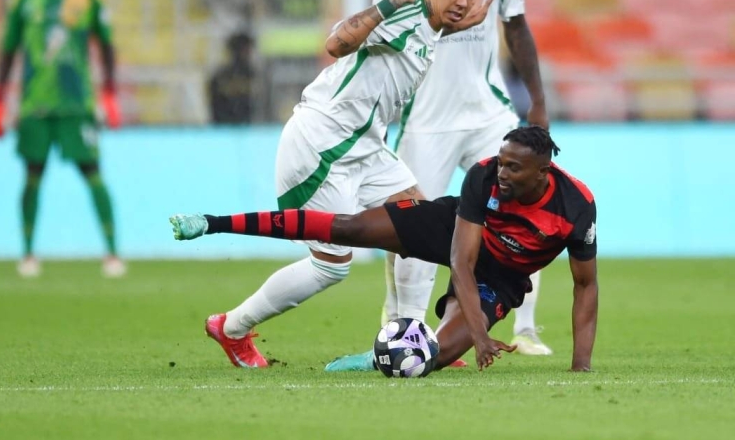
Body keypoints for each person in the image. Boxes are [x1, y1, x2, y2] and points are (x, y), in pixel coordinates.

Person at [196, 0, 494, 368]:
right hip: (322, 144)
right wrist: (390, 3)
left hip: (364, 146)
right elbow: (336, 44)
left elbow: (417, 40)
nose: (464, 1)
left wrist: (456, 27)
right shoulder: (405, 12)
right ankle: (231, 327)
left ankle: (410, 337)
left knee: (423, 224)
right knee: (332, 265)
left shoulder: (429, 25)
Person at [171, 126, 598, 373]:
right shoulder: (484, 176)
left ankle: (377, 358)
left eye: (513, 167)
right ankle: (215, 222)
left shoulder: (576, 208)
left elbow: (585, 286)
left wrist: (581, 366)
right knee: (348, 227)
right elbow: (461, 261)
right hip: (454, 231)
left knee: (429, 358)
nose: (501, 172)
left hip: (502, 277)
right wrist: (482, 335)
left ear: (543, 172)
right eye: (501, 162)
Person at [365, 0, 552, 365]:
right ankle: (405, 325)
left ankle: (526, 328)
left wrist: (537, 101)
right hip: (425, 118)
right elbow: (383, 30)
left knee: (524, 213)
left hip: (489, 113)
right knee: (411, 223)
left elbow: (516, 27)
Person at [0, 0, 124, 279]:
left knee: (93, 172)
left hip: (77, 105)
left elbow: (107, 45)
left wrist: (110, 94)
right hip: (35, 105)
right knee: (32, 175)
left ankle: (112, 253)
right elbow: (8, 51)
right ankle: (28, 254)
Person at [208, 32, 256, 125]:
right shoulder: (220, 77)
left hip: (250, 127)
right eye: (245, 50)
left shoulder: (255, 75)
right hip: (225, 127)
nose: (248, 54)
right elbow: (215, 108)